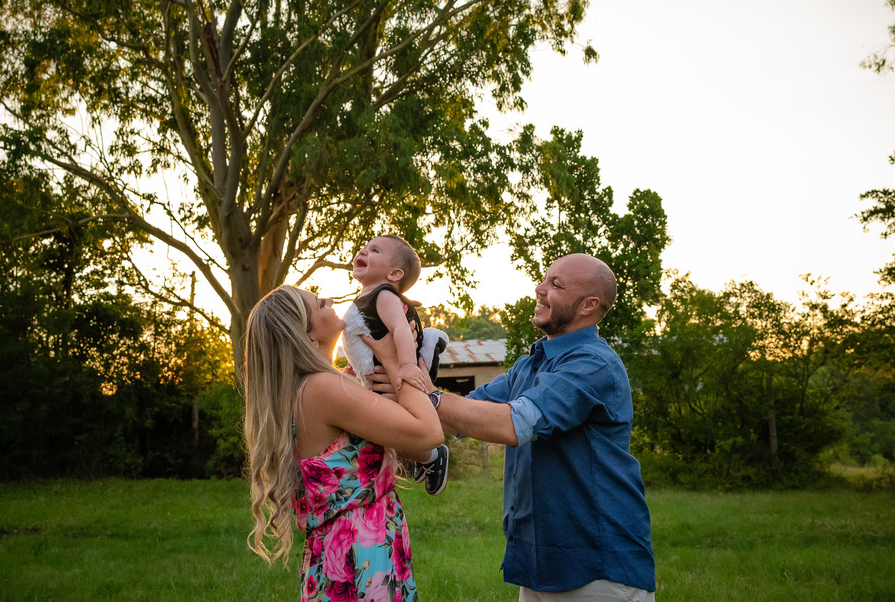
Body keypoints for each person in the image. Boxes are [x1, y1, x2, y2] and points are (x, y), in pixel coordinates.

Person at [373, 253, 657, 601]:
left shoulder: (594, 364)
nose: (539, 289)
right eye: (544, 278)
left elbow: (514, 423)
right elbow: (463, 412)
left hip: (597, 568)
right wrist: (403, 389)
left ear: (589, 305)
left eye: (556, 285)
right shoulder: (531, 364)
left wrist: (427, 396)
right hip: (540, 566)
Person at [243, 284, 444, 602]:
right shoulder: (325, 389)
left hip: (351, 548)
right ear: (308, 337)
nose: (332, 301)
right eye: (320, 304)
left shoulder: (319, 386)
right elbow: (429, 433)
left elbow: (416, 446)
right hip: (358, 558)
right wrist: (394, 361)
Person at [339, 235, 451, 495]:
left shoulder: (384, 296)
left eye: (374, 250)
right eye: (364, 247)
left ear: (394, 273)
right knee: (384, 431)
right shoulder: (367, 297)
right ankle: (428, 456)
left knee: (395, 431)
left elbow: (400, 329)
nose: (363, 251)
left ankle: (432, 456)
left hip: (397, 372)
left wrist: (409, 365)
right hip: (380, 373)